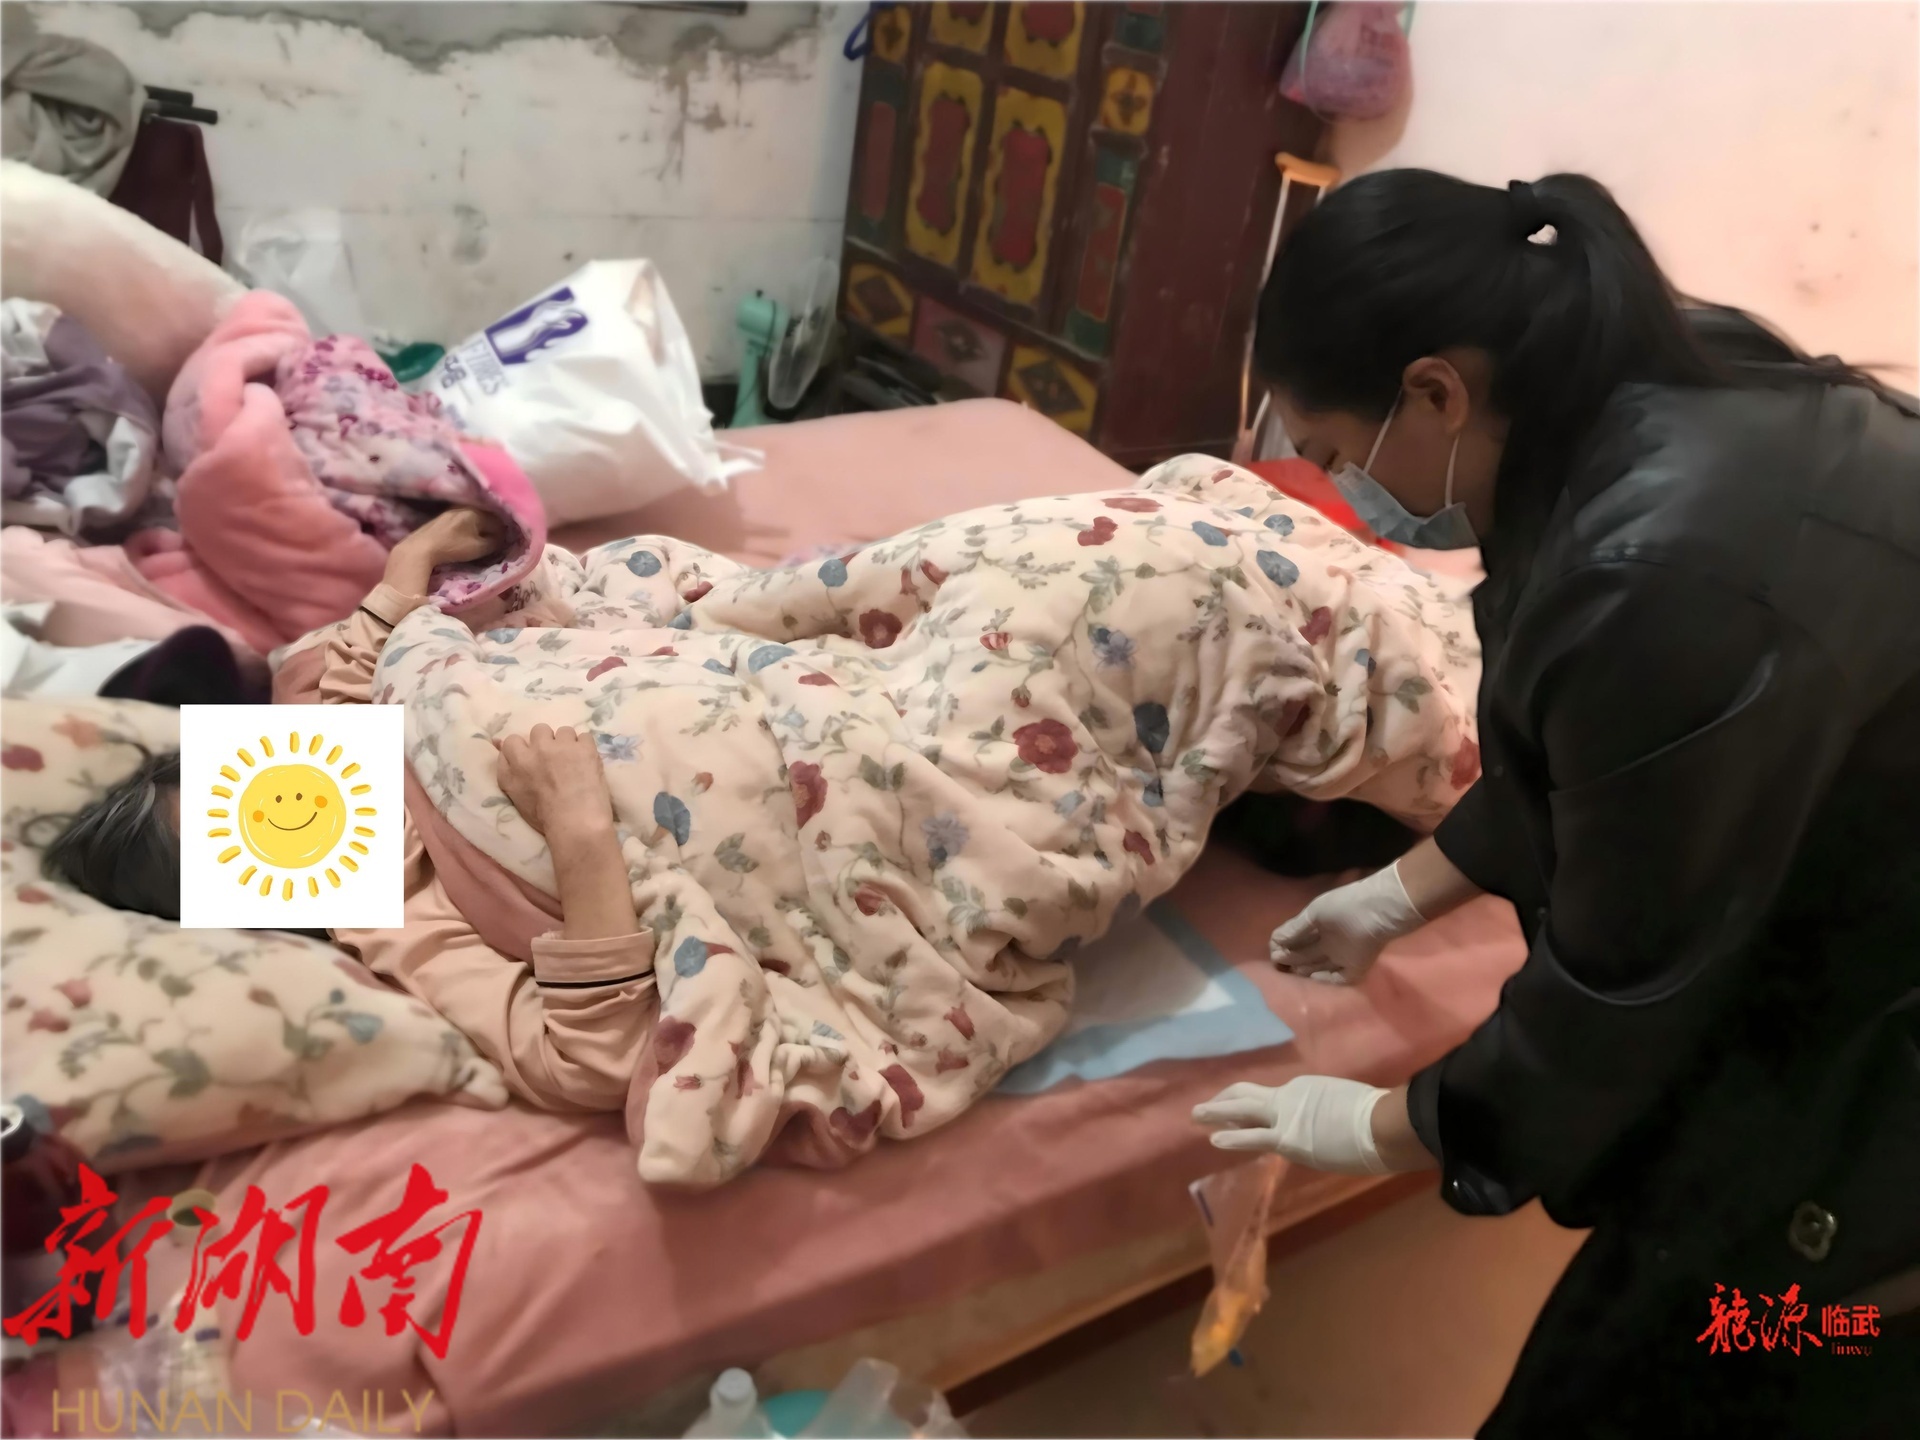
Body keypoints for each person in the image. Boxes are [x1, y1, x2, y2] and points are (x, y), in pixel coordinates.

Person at [1193, 169, 1920, 1435]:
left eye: (1332, 452)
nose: (1335, 488)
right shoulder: (1621, 388)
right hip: (1839, 832)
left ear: (1436, 390)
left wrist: (1395, 1123)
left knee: (1733, 1341)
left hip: (1883, 1000)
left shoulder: (1663, 571)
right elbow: (1600, 760)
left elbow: (1620, 980)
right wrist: (1402, 892)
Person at [39, 510, 662, 1113]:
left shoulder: (335, 742)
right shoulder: (402, 929)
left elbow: (353, 658)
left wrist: (413, 558)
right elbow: (587, 1061)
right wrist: (579, 833)